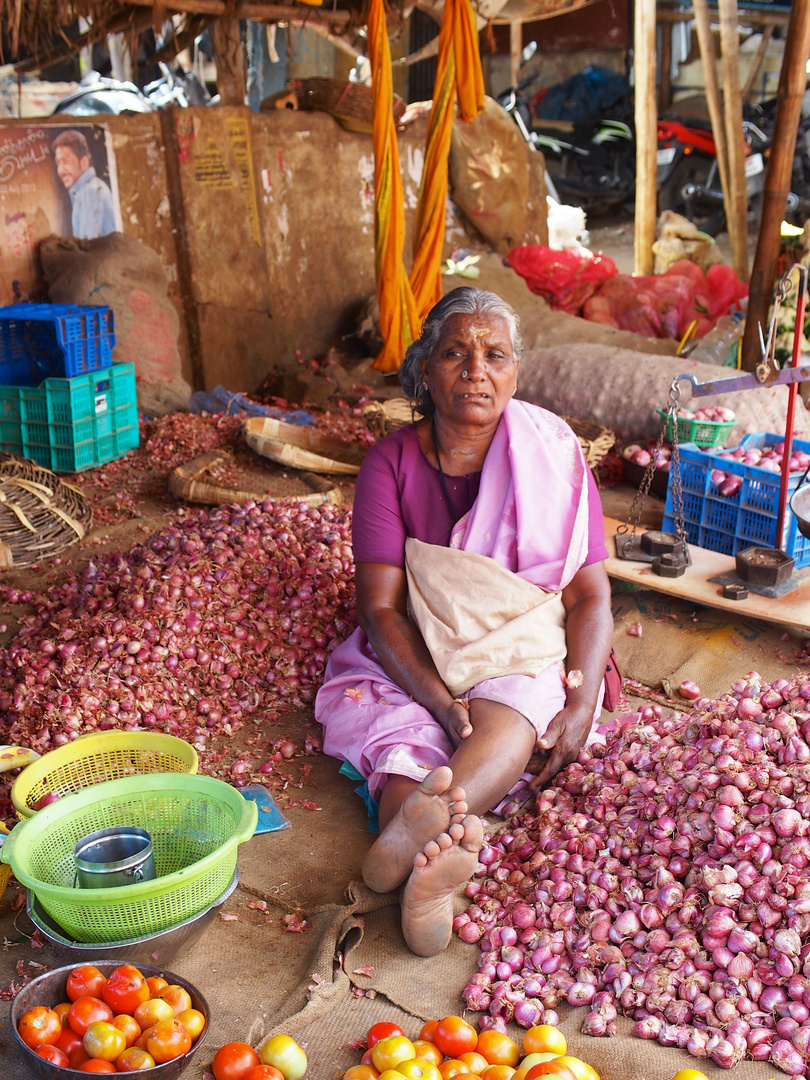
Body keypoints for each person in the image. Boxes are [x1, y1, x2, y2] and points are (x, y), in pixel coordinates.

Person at [315, 287, 615, 957]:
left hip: (525, 641)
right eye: (456, 353)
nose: (477, 370)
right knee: (404, 739)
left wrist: (582, 697)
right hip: (416, 648)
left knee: (510, 712)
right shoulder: (389, 465)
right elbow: (381, 608)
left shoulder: (553, 455)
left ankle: (404, 851)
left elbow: (592, 596)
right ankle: (421, 853)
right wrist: (442, 701)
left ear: (515, 372)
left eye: (495, 355)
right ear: (425, 370)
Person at [51, 130, 116, 240]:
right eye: (58, 163)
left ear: (83, 163)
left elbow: (88, 250)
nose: (60, 170)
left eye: (66, 161)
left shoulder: (90, 192)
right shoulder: (88, 189)